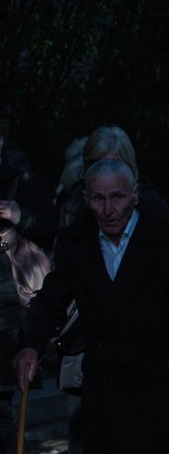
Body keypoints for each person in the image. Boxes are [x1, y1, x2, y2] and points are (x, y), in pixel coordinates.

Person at [13, 159, 169, 454]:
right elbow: (51, 299)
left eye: (117, 197)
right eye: (98, 198)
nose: (108, 209)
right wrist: (31, 345)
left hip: (160, 396)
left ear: (135, 194)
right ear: (86, 199)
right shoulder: (76, 241)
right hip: (103, 396)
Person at [0, 118, 56, 454]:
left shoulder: (19, 179)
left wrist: (20, 215)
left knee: (2, 410)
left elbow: (50, 227)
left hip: (5, 309)